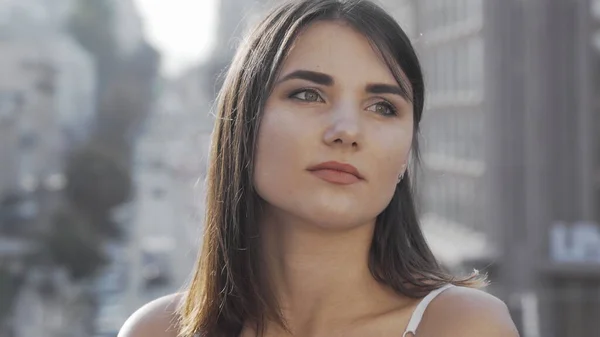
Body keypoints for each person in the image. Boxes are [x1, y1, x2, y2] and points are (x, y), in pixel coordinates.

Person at [118, 0, 519, 336]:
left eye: (383, 107)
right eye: (309, 94)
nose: (346, 131)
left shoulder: (462, 326)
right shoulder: (157, 330)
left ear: (404, 157)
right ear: (243, 125)